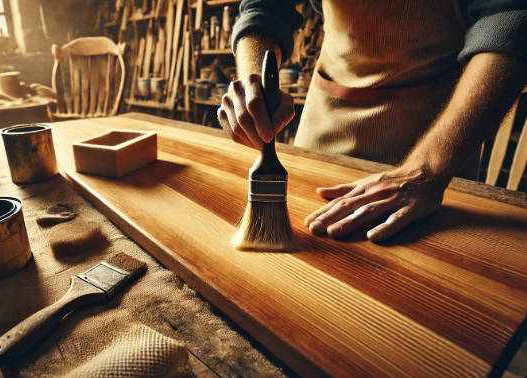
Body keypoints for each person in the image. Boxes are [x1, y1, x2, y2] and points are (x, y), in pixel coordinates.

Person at [218, 0, 527, 242]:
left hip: (436, 132)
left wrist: (428, 169)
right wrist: (253, 81)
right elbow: (265, 8)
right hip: (326, 116)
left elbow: (510, 22)